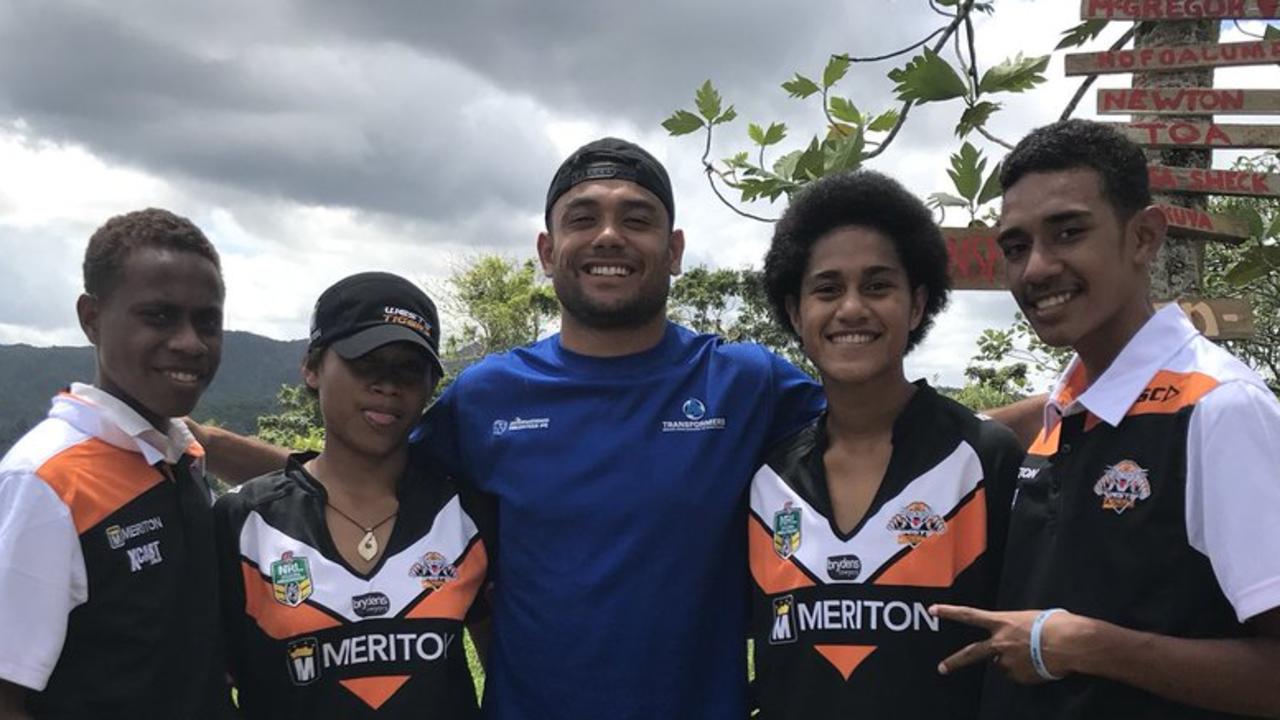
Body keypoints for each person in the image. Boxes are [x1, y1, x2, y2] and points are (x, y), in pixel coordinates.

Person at [194, 137, 1039, 719]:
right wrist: (207, 445)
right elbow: (360, 484)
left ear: (673, 251)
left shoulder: (743, 382)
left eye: (636, 218)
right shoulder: (486, 398)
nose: (609, 236)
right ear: (545, 248)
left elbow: (896, 434)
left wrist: (1075, 400)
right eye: (583, 217)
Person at [932, 119, 1280, 718]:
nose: (1036, 268)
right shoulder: (1065, 413)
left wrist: (1087, 646)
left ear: (1143, 237)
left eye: (1068, 232)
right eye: (1016, 247)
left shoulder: (1220, 410)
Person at [749, 170, 1023, 719]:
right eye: (827, 289)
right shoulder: (767, 483)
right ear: (797, 312)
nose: (851, 308)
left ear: (917, 304)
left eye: (877, 286)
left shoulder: (983, 461)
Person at [214, 272, 492, 718]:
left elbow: (506, 668)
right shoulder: (243, 522)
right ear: (312, 367)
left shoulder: (465, 517)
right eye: (366, 362)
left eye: (409, 368)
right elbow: (205, 684)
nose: (388, 384)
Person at [0, 209, 231, 718]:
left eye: (207, 321)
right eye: (159, 316)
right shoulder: (47, 481)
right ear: (92, 317)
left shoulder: (180, 459)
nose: (190, 342)